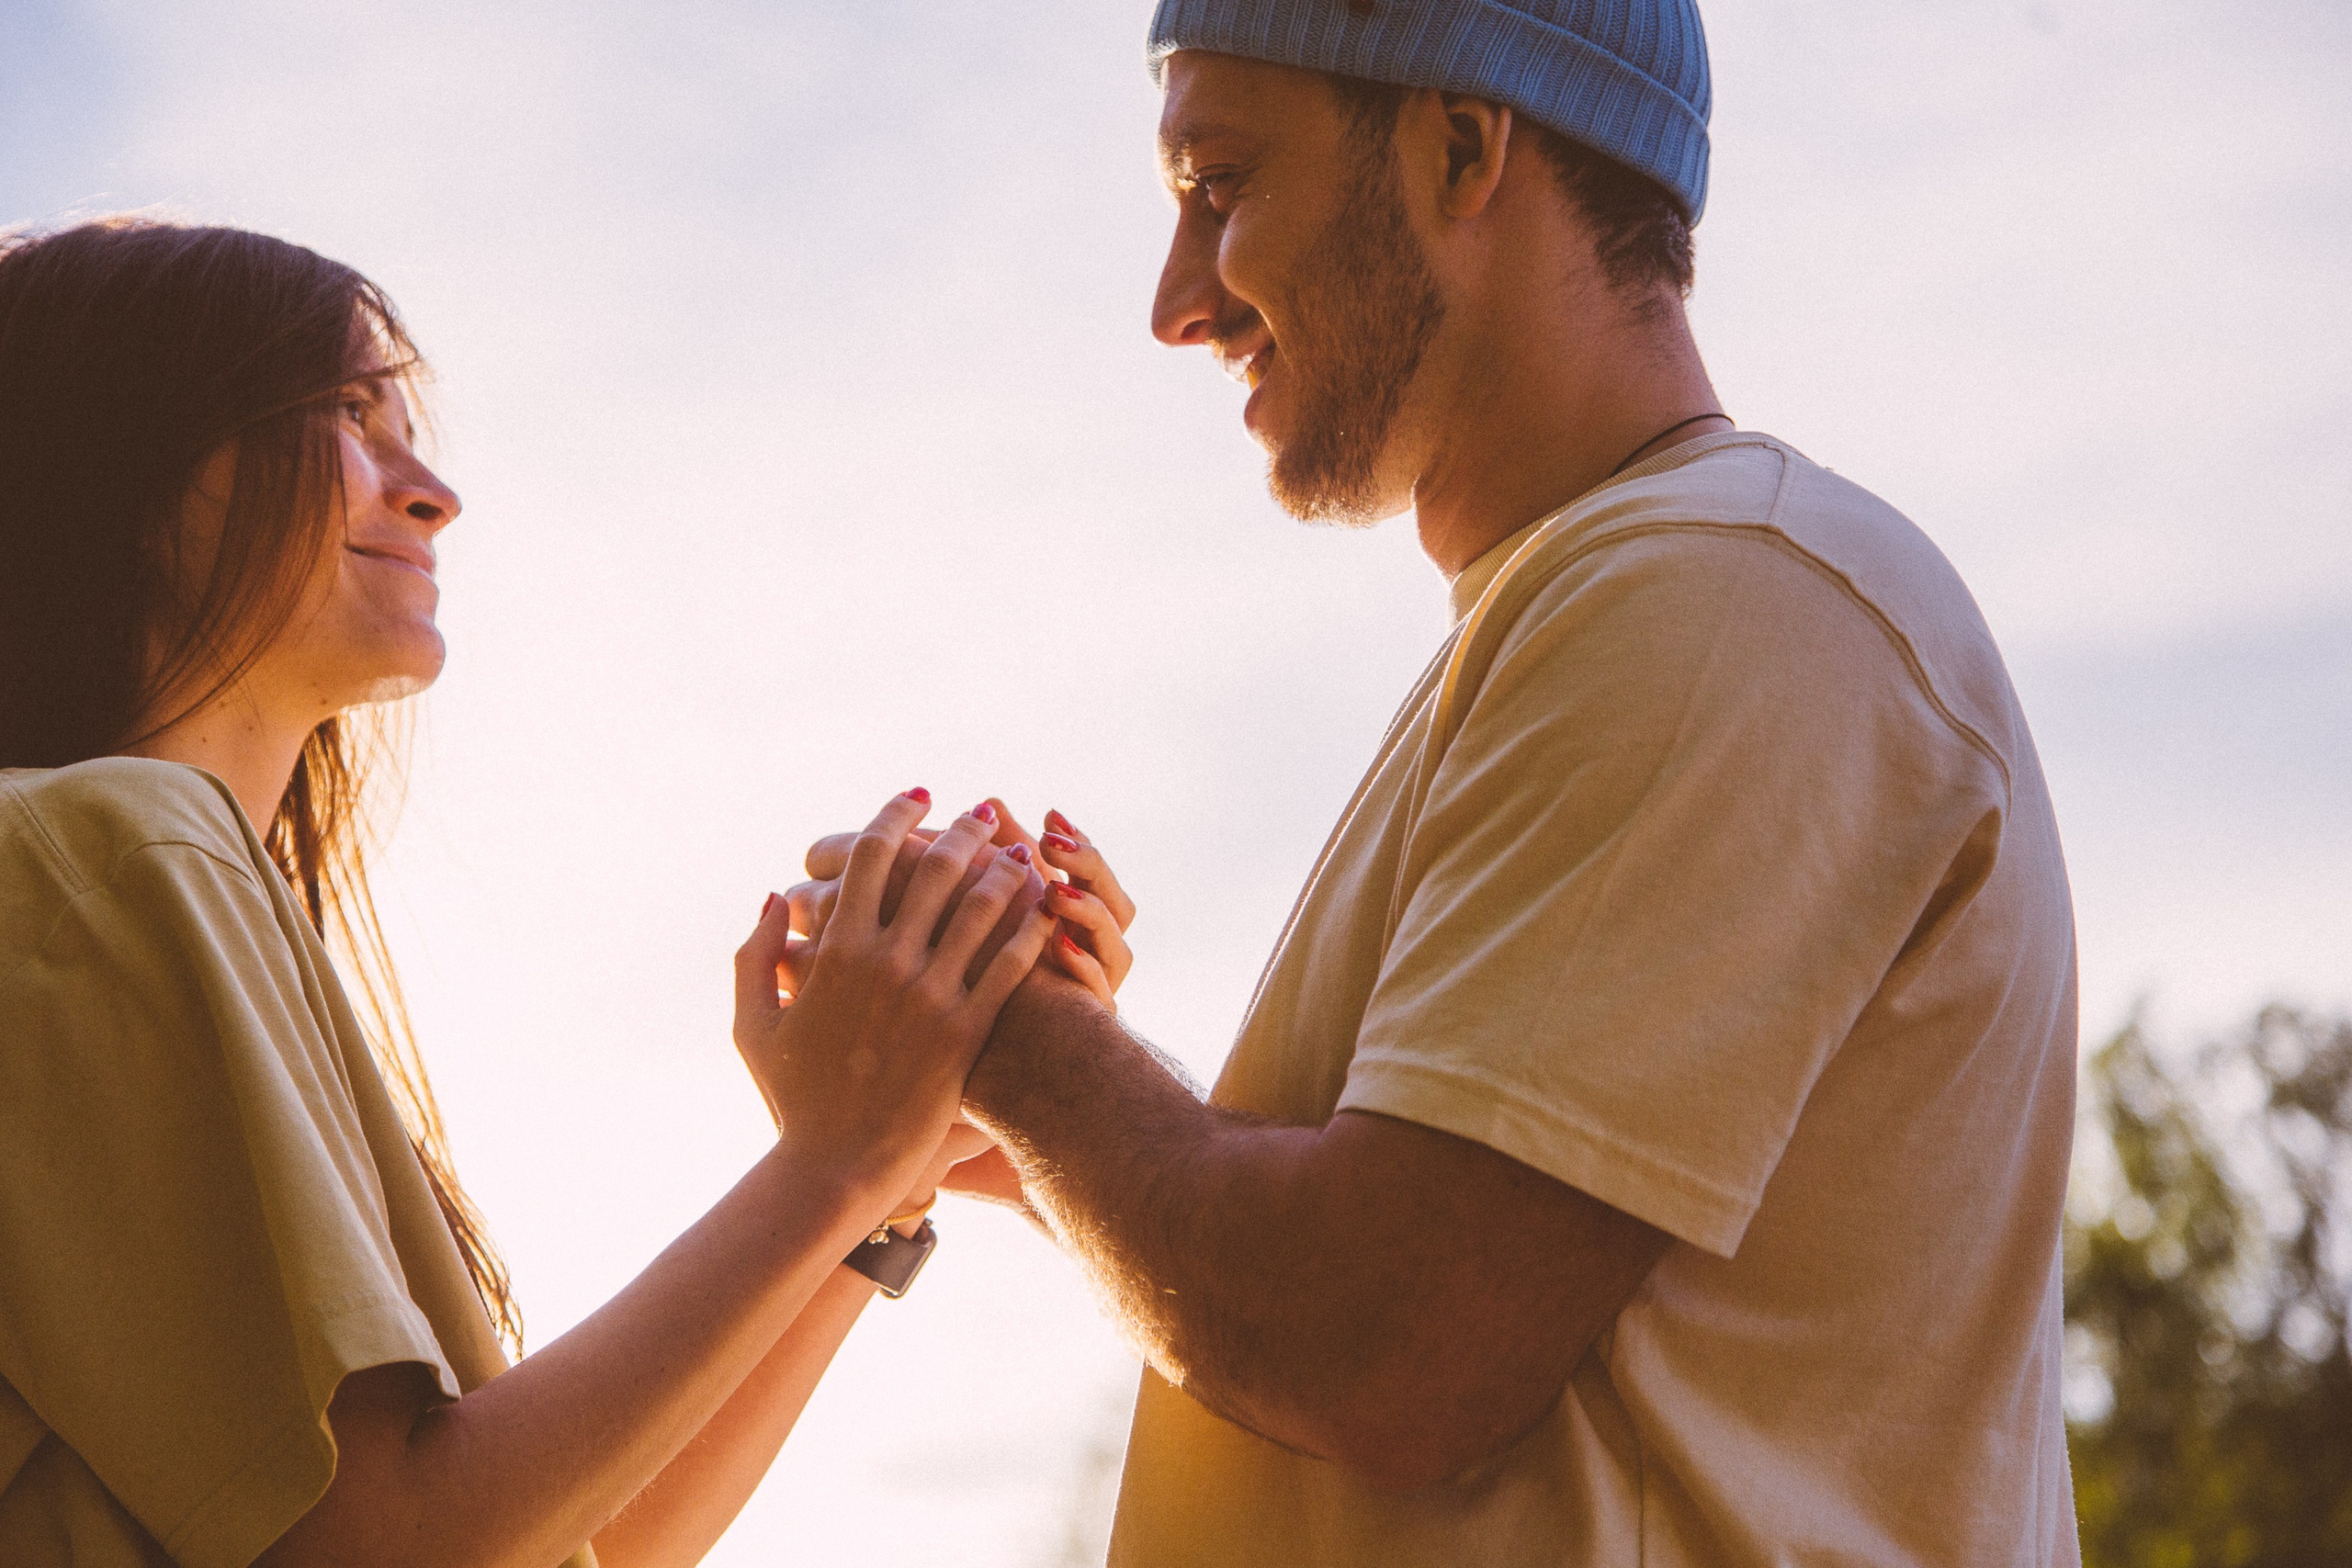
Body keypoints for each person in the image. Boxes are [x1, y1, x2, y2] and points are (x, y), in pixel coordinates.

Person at [798, 2, 2081, 1562]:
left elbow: (1383, 1341)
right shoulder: (1627, 611)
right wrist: (1049, 1149)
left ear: (1462, 145)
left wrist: (1003, 1027)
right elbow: (1424, 1272)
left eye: (1221, 185)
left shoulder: (1718, 597)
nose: (1174, 304)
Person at [0, 218, 1128, 1568]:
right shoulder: (100, 852)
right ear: (120, 452)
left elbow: (578, 1541)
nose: (429, 491)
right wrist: (832, 1160)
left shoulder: (124, 883)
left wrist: (886, 1171)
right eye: (341, 414)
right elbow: (394, 1554)